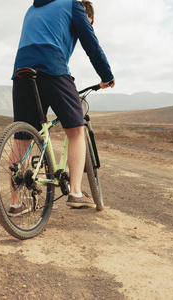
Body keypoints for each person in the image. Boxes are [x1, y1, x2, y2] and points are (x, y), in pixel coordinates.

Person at [9, 0, 115, 216]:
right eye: (89, 23)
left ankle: (15, 203)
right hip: (52, 67)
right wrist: (106, 75)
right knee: (76, 129)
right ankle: (75, 192)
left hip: (22, 70)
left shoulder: (33, 8)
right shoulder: (73, 5)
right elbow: (91, 44)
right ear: (87, 15)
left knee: (22, 137)